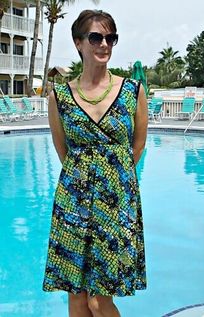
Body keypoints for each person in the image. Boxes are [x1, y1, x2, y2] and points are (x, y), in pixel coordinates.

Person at [42, 9, 148, 317]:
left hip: (116, 203)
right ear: (78, 42)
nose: (104, 44)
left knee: (99, 302)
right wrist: (85, 177)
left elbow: (136, 146)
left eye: (110, 38)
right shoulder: (59, 96)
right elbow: (64, 152)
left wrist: (110, 177)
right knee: (76, 299)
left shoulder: (132, 91)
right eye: (96, 37)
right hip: (73, 204)